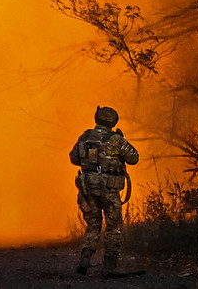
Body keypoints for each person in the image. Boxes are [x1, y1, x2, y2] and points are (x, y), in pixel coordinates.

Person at [69, 106, 139, 277]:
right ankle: (109, 267)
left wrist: (91, 163)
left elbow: (73, 157)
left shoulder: (85, 137)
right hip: (109, 189)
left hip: (87, 188)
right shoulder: (115, 140)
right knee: (113, 226)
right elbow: (134, 158)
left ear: (97, 119)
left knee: (93, 224)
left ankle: (85, 259)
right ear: (113, 121)